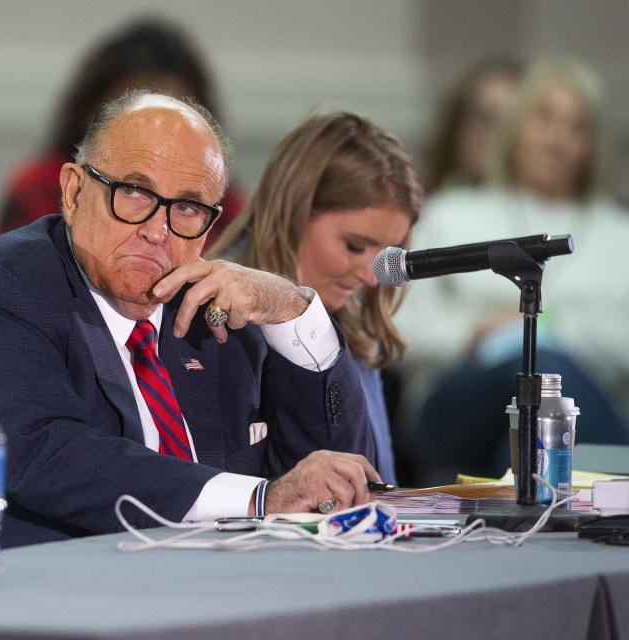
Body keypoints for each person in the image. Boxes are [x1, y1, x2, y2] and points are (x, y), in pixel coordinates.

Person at [0, 91, 379, 554]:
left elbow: (333, 476)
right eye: (134, 192)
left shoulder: (213, 316)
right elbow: (43, 454)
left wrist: (293, 311)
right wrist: (259, 498)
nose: (157, 229)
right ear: (74, 192)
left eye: (188, 207)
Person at [397, 58, 629, 480]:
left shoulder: (620, 233)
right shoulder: (452, 214)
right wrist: (477, 333)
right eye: (544, 119)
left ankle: (524, 514)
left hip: (583, 401)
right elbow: (404, 326)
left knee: (542, 376)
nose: (558, 139)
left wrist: (542, 330)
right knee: (529, 371)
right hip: (459, 401)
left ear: (592, 144)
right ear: (517, 126)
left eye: (576, 127)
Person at [210, 113, 421, 485]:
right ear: (292, 213)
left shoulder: (354, 325)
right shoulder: (215, 323)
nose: (371, 276)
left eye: (389, 252)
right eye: (354, 246)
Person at [0, 17, 245, 247]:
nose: (157, 134)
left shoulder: (225, 204)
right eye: (132, 113)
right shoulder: (39, 186)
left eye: (175, 116)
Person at [423, 57, 522, 194]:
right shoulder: (417, 207)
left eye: (509, 124)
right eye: (483, 119)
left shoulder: (549, 209)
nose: (495, 137)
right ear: (457, 125)